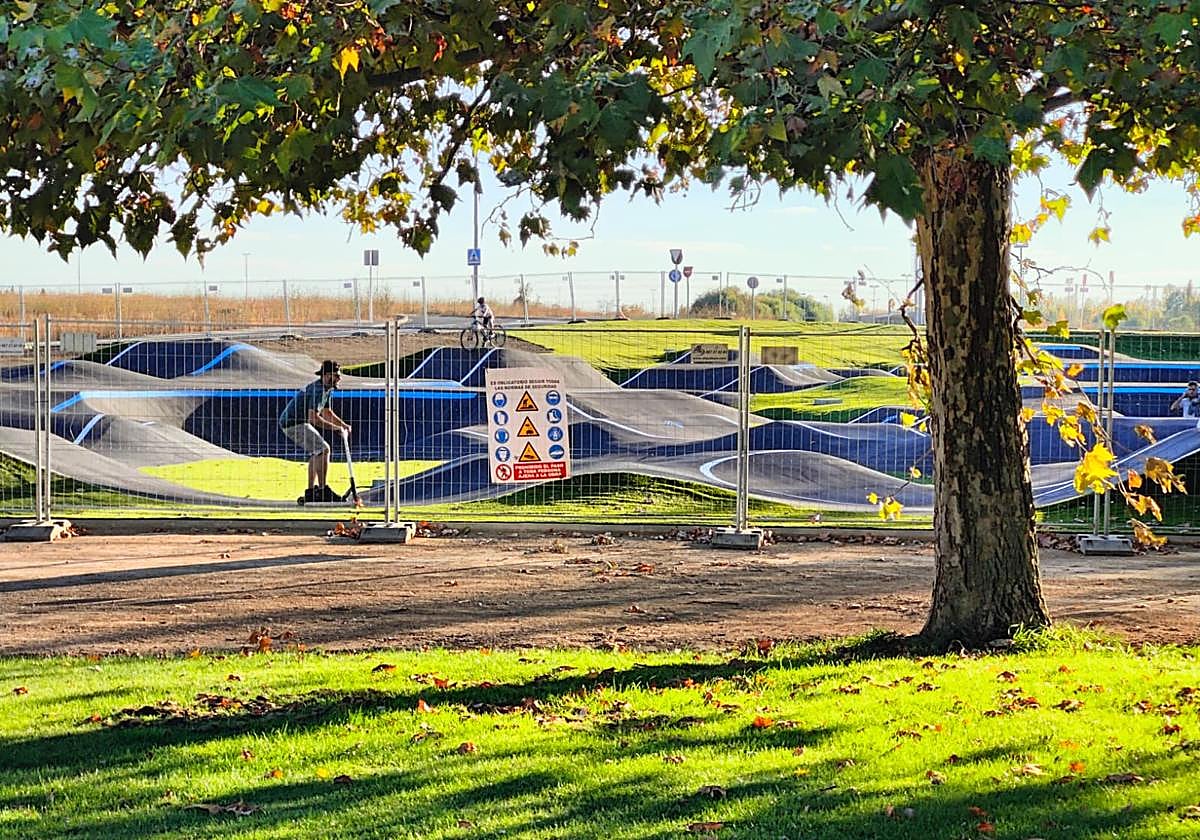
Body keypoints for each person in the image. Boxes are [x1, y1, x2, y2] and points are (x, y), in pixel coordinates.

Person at [279, 359, 352, 502]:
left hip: (297, 422)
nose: (339, 379)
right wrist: (336, 428)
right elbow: (313, 418)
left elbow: (326, 412)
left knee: (317, 451)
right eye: (336, 375)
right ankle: (323, 491)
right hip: (294, 423)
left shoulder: (326, 389)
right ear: (326, 375)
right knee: (324, 450)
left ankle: (311, 492)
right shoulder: (318, 390)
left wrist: (344, 425)